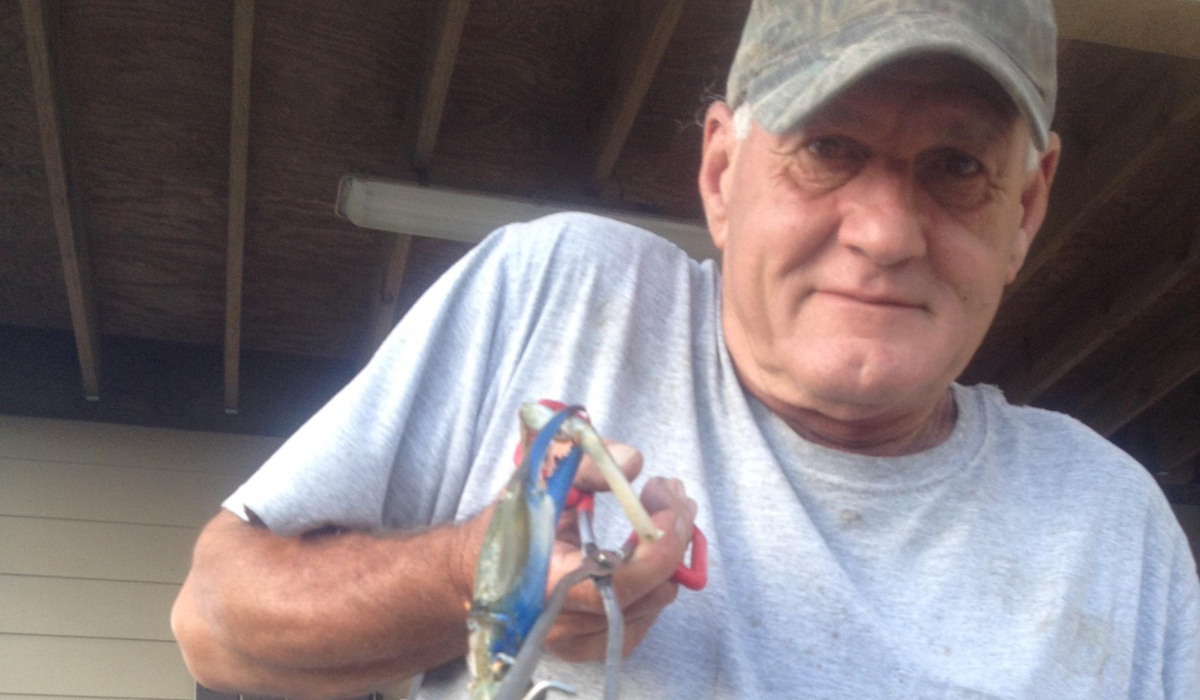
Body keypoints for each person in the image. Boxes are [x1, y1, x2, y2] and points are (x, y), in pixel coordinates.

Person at [172, 0, 1200, 697]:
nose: (885, 232)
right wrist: (484, 572)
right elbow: (217, 618)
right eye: (828, 149)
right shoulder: (565, 295)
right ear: (720, 170)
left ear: (1027, 206)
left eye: (958, 166)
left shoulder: (1111, 526)